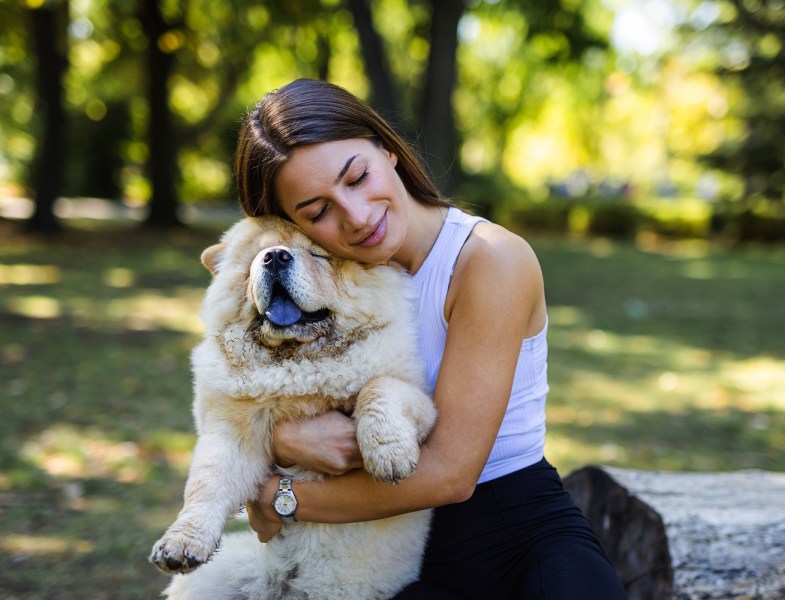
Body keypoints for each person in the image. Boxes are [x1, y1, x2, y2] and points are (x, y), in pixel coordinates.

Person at [237, 78, 627, 599]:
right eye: (318, 212)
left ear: (389, 150)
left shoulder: (488, 259)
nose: (356, 216)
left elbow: (450, 473)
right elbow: (253, 406)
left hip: (515, 538)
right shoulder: (309, 295)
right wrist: (276, 440)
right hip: (375, 554)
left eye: (357, 177)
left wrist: (278, 497)